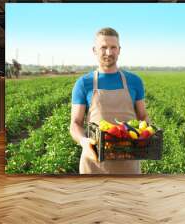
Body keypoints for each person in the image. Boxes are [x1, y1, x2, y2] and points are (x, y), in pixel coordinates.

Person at [70, 27, 149, 174]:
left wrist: (144, 135)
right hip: (94, 163)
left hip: (128, 162)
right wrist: (83, 141)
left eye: (113, 47)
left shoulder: (134, 81)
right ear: (94, 50)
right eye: (103, 47)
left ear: (119, 50)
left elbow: (143, 116)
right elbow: (75, 123)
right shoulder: (84, 83)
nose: (109, 52)